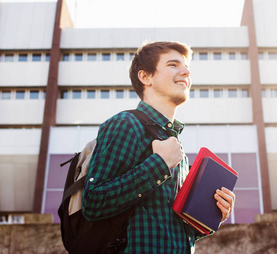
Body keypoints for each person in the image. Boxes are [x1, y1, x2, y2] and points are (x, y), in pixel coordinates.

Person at [82, 41, 235, 253]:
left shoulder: (175, 147)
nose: (185, 72)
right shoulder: (126, 124)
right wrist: (160, 164)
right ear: (145, 77)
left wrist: (212, 215)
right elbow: (93, 202)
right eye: (173, 65)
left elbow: (172, 230)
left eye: (186, 67)